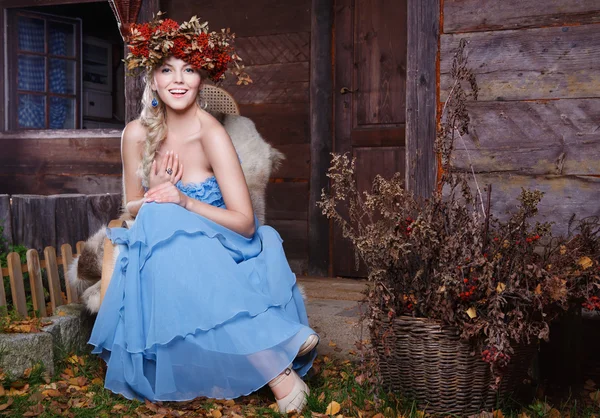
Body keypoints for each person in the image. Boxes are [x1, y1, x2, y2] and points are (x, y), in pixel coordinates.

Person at [87, 14, 318, 413]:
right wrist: (156, 192)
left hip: (223, 240)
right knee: (159, 218)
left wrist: (184, 201)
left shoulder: (211, 132)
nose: (178, 79)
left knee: (169, 216)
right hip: (159, 244)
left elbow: (245, 223)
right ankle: (276, 364)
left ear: (201, 78)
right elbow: (130, 208)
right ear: (153, 79)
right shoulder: (136, 134)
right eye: (167, 69)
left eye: (189, 69)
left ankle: (276, 354)